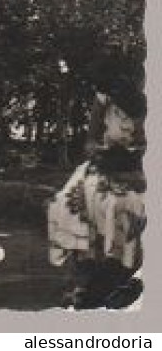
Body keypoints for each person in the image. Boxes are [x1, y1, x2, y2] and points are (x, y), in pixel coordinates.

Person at [47, 53, 146, 309]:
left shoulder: (140, 107)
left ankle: (116, 276)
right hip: (103, 171)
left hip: (134, 176)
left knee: (118, 207)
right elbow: (91, 143)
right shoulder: (104, 104)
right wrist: (101, 153)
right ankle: (87, 273)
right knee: (69, 201)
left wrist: (129, 163)